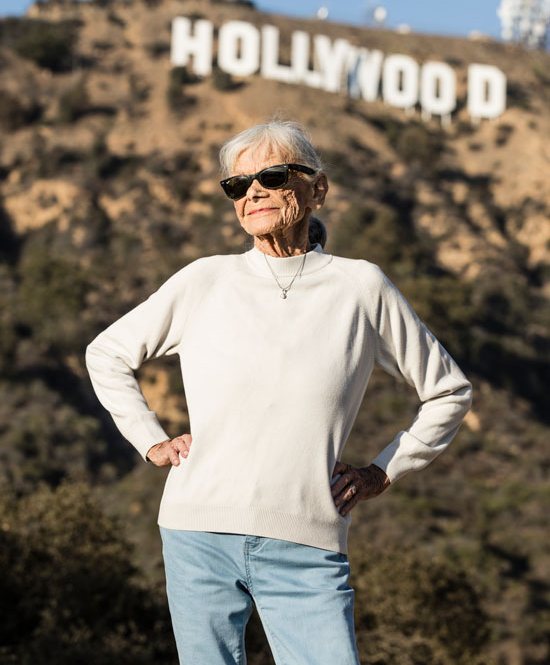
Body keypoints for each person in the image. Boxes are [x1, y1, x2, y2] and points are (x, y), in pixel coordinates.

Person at [85, 117, 473, 664]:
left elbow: (449, 391)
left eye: (271, 174)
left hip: (308, 540)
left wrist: (381, 471)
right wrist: (150, 439)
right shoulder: (204, 280)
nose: (254, 192)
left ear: (317, 189)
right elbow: (107, 353)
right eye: (238, 185)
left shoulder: (361, 286)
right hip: (196, 531)